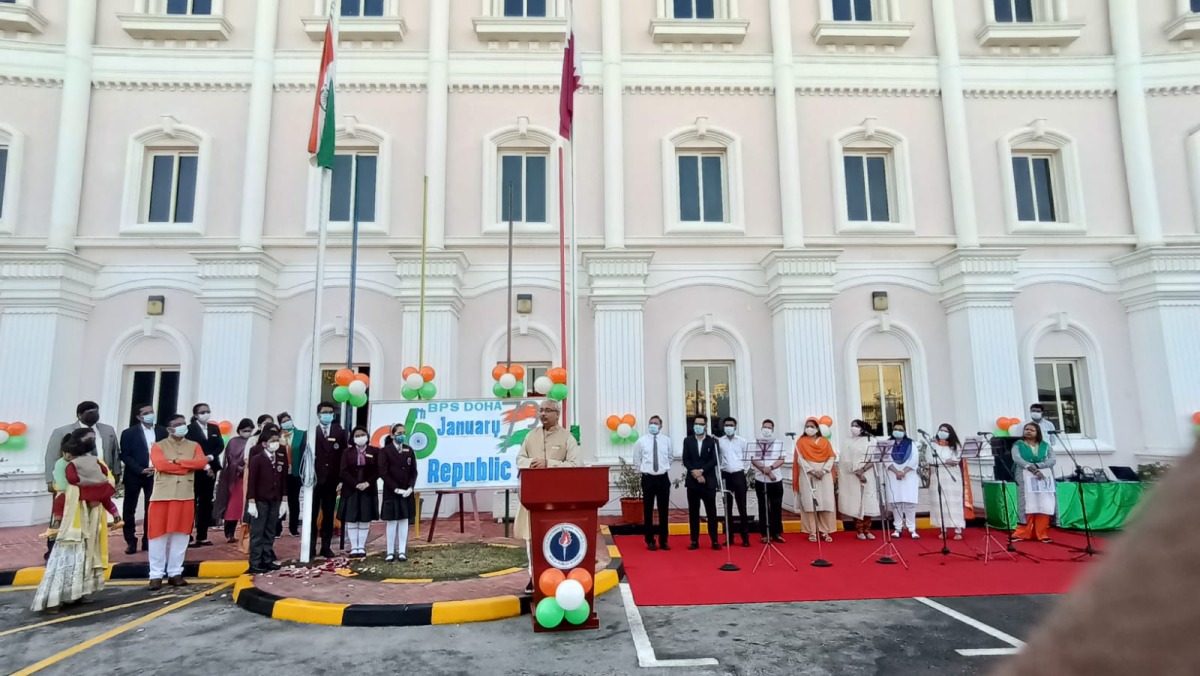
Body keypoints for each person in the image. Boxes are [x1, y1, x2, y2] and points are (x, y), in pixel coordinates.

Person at [31, 429, 112, 613]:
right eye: (89, 439)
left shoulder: (94, 462)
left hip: (90, 514)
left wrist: (97, 495)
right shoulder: (64, 464)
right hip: (72, 513)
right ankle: (53, 600)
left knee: (87, 551)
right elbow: (63, 488)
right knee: (67, 553)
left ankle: (79, 592)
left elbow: (108, 480)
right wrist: (91, 494)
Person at [515, 400, 580, 591]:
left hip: (558, 499)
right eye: (541, 410)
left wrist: (549, 463)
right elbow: (519, 459)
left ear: (557, 414)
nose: (543, 414)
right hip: (532, 498)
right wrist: (532, 462)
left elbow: (575, 466)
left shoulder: (567, 438)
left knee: (556, 537)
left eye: (547, 410)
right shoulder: (531, 436)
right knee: (532, 539)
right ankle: (534, 577)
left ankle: (558, 575)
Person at [146, 414, 209, 590]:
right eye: (178, 424)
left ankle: (175, 572)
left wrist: (176, 462)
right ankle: (156, 574)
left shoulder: (194, 445)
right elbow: (161, 465)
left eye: (183, 423)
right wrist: (186, 466)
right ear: (169, 429)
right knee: (157, 536)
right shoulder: (158, 446)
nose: (182, 426)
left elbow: (201, 462)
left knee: (181, 536)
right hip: (162, 496)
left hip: (185, 495)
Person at [118, 404, 166, 554]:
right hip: (134, 475)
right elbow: (125, 455)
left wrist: (159, 467)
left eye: (151, 411)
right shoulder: (129, 433)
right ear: (139, 417)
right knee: (129, 509)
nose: (150, 414)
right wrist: (139, 469)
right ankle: (130, 541)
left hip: (155, 475)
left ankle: (148, 540)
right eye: (146, 413)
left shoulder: (162, 431)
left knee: (151, 509)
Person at [45, 401, 121, 493]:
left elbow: (115, 452)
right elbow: (52, 457)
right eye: (90, 413)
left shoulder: (108, 430)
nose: (94, 415)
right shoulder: (62, 432)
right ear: (79, 415)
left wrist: (116, 473)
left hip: (101, 478)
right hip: (73, 481)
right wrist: (50, 480)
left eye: (96, 412)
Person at [246, 426, 288, 573]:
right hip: (260, 500)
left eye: (277, 440)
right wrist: (251, 501)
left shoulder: (280, 456)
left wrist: (284, 499)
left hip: (275, 499)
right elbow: (251, 481)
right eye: (272, 441)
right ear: (264, 443)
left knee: (270, 531)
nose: (275, 443)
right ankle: (255, 562)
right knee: (257, 532)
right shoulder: (257, 458)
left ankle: (267, 558)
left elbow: (283, 478)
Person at [310, 401, 346, 559]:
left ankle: (326, 546)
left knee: (329, 514)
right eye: (324, 412)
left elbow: (344, 456)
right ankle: (310, 547)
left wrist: (341, 478)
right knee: (312, 515)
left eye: (330, 412)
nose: (328, 415)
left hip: (332, 480)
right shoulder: (312, 432)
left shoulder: (340, 433)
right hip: (314, 480)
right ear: (318, 414)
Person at [186, 403, 224, 548]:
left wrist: (210, 457)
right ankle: (187, 535)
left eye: (208, 411)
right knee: (191, 503)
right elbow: (190, 449)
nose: (206, 414)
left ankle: (202, 536)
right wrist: (203, 463)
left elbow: (219, 445)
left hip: (211, 468)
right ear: (196, 415)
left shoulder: (214, 428)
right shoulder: (189, 429)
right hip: (195, 470)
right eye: (202, 412)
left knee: (206, 503)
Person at [793, 417, 836, 542]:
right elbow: (799, 459)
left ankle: (825, 531)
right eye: (807, 426)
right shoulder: (801, 442)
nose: (809, 428)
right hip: (808, 474)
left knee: (826, 502)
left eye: (812, 426)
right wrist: (812, 470)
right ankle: (812, 531)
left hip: (824, 474)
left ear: (817, 428)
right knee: (809, 503)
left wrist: (823, 471)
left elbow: (831, 457)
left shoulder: (825, 442)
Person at [632, 415, 672, 551]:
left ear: (661, 426)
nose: (653, 425)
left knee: (663, 510)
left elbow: (670, 457)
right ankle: (650, 540)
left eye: (655, 423)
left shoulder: (667, 440)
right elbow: (636, 459)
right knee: (648, 510)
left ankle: (664, 540)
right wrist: (643, 471)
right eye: (651, 423)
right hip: (648, 478)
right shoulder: (641, 441)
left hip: (662, 478)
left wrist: (663, 468)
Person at [338, 425, 379, 558]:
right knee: (352, 518)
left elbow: (378, 470)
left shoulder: (375, 451)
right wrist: (356, 484)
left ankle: (361, 547)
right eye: (357, 436)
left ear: (367, 436)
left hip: (368, 489)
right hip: (351, 489)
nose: (360, 437)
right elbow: (343, 471)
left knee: (365, 518)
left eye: (363, 435)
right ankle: (354, 547)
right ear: (353, 438)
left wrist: (367, 483)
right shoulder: (347, 452)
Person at [1012, 422, 1057, 543]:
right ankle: (1022, 533)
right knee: (1027, 503)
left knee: (1044, 503)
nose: (1028, 431)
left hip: (1043, 476)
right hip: (1024, 475)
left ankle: (1041, 533)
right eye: (1026, 429)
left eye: (1031, 430)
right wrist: (1032, 468)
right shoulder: (1018, 445)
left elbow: (1052, 459)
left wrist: (1038, 466)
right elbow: (1017, 459)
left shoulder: (1045, 445)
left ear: (1038, 432)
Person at [379, 423, 417, 563]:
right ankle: (390, 551)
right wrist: (395, 488)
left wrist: (410, 487)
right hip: (392, 491)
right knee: (392, 521)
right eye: (399, 433)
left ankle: (402, 551)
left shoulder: (409, 449)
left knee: (404, 520)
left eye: (403, 433)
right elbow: (383, 472)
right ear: (392, 435)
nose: (402, 435)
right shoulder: (385, 451)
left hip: (406, 491)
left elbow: (413, 470)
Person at [682, 414, 720, 551]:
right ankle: (694, 540)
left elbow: (714, 460)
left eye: (700, 424)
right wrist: (695, 473)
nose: (698, 426)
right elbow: (686, 459)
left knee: (711, 512)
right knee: (693, 512)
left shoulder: (712, 441)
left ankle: (714, 540)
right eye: (696, 424)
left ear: (705, 426)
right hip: (693, 482)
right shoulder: (688, 440)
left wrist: (702, 471)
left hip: (708, 481)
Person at [64, 440, 123, 528]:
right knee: (107, 501)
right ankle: (117, 517)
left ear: (69, 454)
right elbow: (104, 470)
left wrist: (80, 481)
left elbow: (71, 478)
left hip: (89, 489)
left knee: (90, 506)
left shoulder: (72, 464)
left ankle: (90, 524)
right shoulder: (94, 458)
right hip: (103, 486)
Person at [838, 420, 880, 540]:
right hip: (853, 475)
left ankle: (867, 529)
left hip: (867, 473)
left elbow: (875, 458)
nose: (853, 428)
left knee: (868, 501)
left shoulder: (871, 440)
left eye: (856, 426)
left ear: (862, 427)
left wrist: (863, 470)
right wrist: (856, 471)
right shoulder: (848, 441)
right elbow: (844, 459)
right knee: (856, 502)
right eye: (852, 426)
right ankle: (859, 530)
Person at [213, 418, 253, 543]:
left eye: (249, 430)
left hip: (249, 478)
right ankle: (229, 533)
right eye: (244, 430)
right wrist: (241, 468)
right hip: (234, 478)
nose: (247, 432)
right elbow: (230, 459)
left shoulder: (253, 441)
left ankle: (247, 534)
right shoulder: (233, 442)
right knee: (232, 507)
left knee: (246, 506)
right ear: (239, 430)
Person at [717, 416, 751, 548]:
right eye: (726, 425)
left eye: (731, 425)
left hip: (739, 474)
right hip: (726, 475)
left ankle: (745, 538)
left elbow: (747, 458)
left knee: (742, 507)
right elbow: (719, 458)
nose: (729, 428)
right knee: (728, 508)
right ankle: (729, 537)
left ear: (735, 427)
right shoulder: (720, 441)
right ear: (723, 427)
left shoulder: (742, 441)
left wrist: (744, 472)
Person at [928, 423, 966, 540]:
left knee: (954, 502)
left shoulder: (956, 446)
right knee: (940, 503)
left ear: (950, 433)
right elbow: (930, 460)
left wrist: (943, 461)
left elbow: (955, 460)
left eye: (945, 431)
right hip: (937, 476)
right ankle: (943, 529)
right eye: (941, 430)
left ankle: (958, 530)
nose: (942, 432)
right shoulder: (933, 445)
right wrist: (945, 461)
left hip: (952, 478)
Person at [750, 419, 785, 544]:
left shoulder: (778, 443)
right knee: (763, 507)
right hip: (761, 479)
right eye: (765, 427)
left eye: (769, 427)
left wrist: (770, 468)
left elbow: (782, 459)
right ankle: (764, 534)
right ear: (761, 428)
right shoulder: (755, 442)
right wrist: (766, 471)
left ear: (773, 429)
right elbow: (753, 459)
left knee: (776, 506)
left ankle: (777, 533)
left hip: (776, 479)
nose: (766, 429)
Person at [885, 421, 920, 539]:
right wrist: (896, 472)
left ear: (904, 431)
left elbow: (914, 459)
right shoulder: (888, 444)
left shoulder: (911, 443)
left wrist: (903, 471)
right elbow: (886, 459)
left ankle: (912, 529)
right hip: (893, 475)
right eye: (895, 429)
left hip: (908, 475)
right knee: (896, 503)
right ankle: (898, 528)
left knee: (910, 503)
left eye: (900, 429)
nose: (897, 431)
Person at [278, 412, 307, 537]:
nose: (286, 422)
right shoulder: (278, 436)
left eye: (288, 420)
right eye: (283, 421)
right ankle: (277, 528)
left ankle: (293, 528)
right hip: (280, 474)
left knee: (294, 501)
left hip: (295, 473)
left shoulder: (301, 434)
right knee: (279, 500)